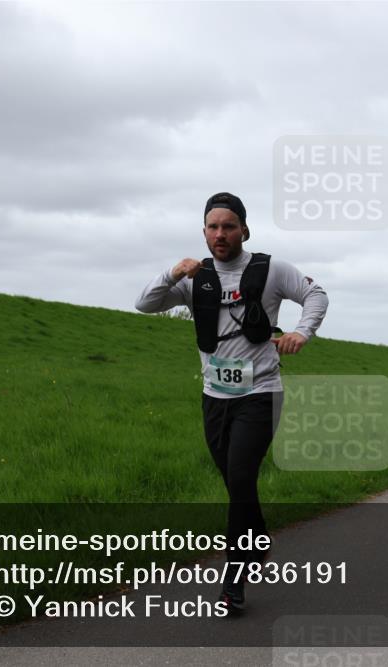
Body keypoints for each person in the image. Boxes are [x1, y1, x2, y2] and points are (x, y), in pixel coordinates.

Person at [135, 192, 328, 614]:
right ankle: (256, 538)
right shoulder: (195, 279)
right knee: (235, 483)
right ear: (204, 232)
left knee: (240, 478)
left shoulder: (270, 268)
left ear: (244, 229)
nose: (220, 234)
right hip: (214, 397)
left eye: (228, 226)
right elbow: (144, 304)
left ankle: (233, 580)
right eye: (212, 227)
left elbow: (316, 295)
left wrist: (302, 332)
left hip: (260, 394)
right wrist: (172, 272)